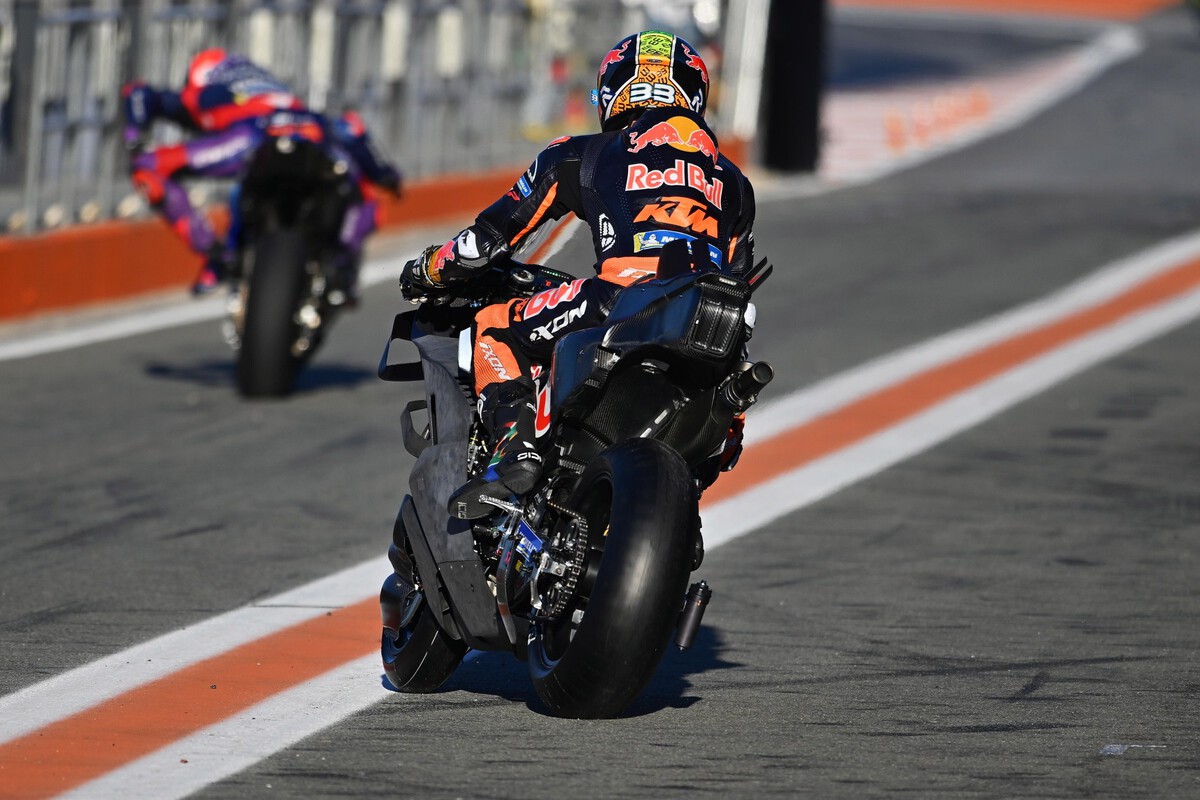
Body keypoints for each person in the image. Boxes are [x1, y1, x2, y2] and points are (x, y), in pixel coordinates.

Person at [400, 30, 756, 520]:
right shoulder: (735, 183)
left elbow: (483, 245)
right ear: (694, 95)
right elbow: (739, 281)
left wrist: (429, 270)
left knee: (495, 326)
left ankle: (516, 449)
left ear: (612, 93)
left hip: (622, 297)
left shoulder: (583, 152)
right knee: (721, 425)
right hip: (712, 326)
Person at [122, 48, 402, 296]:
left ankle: (215, 254)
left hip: (250, 135)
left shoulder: (203, 88)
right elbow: (352, 129)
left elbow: (137, 93)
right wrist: (387, 175)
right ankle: (343, 264)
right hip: (311, 131)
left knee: (147, 167)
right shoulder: (275, 86)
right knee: (364, 188)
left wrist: (134, 137)